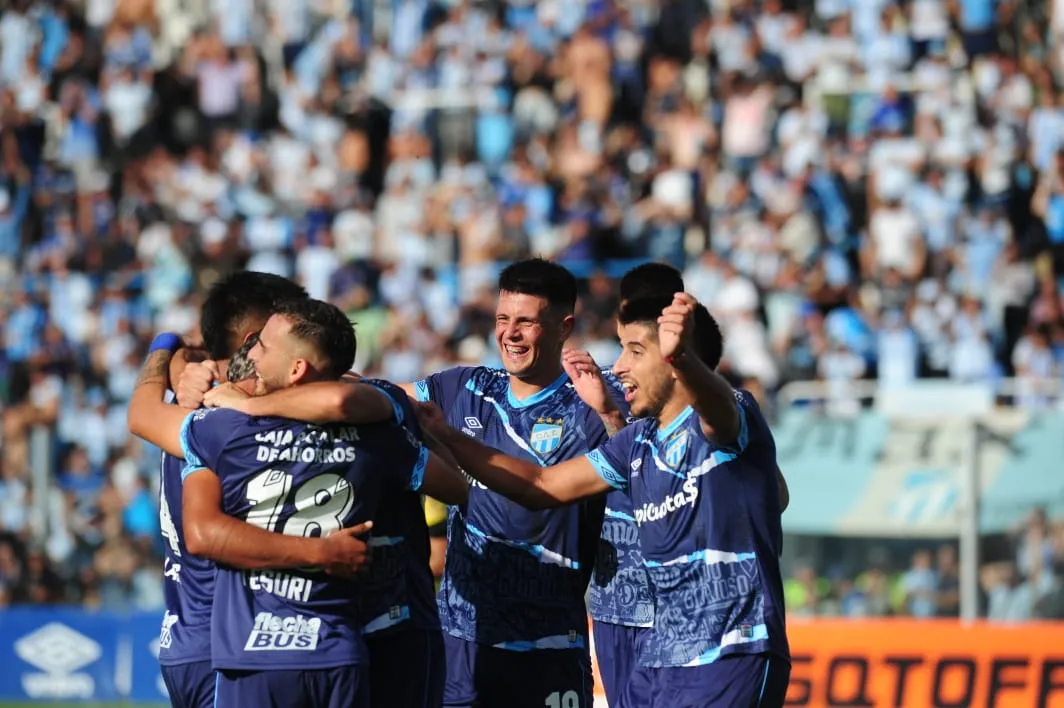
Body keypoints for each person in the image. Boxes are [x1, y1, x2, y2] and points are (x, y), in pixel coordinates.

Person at [415, 293, 791, 708]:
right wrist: (449, 436)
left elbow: (718, 408)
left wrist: (684, 359)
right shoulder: (634, 441)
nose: (619, 366)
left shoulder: (727, 418)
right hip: (661, 662)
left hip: (732, 652)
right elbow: (540, 485)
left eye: (635, 351)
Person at [128, 298, 467, 708]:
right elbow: (456, 487)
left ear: (296, 368)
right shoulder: (376, 430)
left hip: (257, 654)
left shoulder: (226, 427)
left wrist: (169, 348)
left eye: (263, 346)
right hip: (343, 647)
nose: (251, 354)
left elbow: (199, 529)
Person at [395, 258, 622, 708]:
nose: (509, 334)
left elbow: (635, 470)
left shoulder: (593, 401)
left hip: (551, 646)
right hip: (464, 642)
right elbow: (376, 396)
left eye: (526, 322)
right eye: (503, 319)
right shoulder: (463, 388)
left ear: (563, 326)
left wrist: (612, 415)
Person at [151, 270, 310, 708]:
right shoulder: (236, 421)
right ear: (254, 339)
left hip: (187, 636)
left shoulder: (185, 407)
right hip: (229, 643)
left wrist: (173, 352)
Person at [587, 262, 686, 708]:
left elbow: (773, 495)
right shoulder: (592, 388)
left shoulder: (706, 400)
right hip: (614, 602)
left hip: (679, 605)